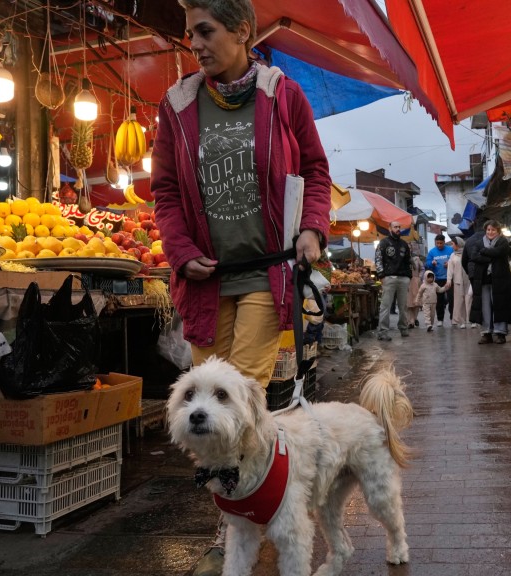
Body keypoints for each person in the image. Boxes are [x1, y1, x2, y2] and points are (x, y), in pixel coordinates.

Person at [150, 1, 330, 573]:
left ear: (242, 30)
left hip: (266, 272)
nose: (195, 45)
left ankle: (238, 523)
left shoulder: (283, 94)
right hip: (205, 282)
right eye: (189, 35)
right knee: (208, 397)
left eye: (205, 32)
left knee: (242, 392)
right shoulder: (177, 103)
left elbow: (317, 171)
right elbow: (166, 193)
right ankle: (244, 517)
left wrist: (312, 229)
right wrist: (180, 253)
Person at [463, 220, 511, 344]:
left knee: (500, 304)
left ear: (498, 231)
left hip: (500, 278)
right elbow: (474, 256)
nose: (490, 232)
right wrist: (492, 256)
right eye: (488, 230)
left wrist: (484, 252)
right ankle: (486, 333)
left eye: (493, 230)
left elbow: (500, 252)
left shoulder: (503, 242)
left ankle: (500, 333)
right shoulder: (478, 242)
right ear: (485, 230)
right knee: (485, 306)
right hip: (483, 279)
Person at [375, 220, 412, 341]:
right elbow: (378, 259)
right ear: (389, 228)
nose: (398, 229)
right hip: (389, 277)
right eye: (395, 227)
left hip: (403, 278)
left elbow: (408, 261)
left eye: (399, 227)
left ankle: (403, 328)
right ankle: (383, 332)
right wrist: (381, 275)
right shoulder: (383, 243)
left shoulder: (404, 244)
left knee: (403, 306)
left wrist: (409, 276)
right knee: (385, 305)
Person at [425, 233, 455, 326]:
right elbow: (427, 264)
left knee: (452, 299)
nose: (439, 245)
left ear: (444, 242)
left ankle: (452, 318)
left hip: (449, 278)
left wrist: (449, 264)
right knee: (439, 300)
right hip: (437, 279)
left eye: (441, 243)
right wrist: (432, 263)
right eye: (437, 243)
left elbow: (455, 261)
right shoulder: (432, 252)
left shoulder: (450, 250)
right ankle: (440, 319)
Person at [446, 236, 471, 328]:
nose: (452, 246)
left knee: (469, 300)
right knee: (459, 302)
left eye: (452, 244)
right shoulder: (453, 255)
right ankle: (462, 321)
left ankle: (472, 320)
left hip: (468, 280)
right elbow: (450, 269)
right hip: (457, 281)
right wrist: (449, 280)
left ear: (458, 244)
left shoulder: (467, 253)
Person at [405, 253, 423, 328]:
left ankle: (415, 318)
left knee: (416, 302)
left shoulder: (416, 259)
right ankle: (410, 321)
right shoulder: (402, 258)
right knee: (408, 303)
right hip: (406, 281)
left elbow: (422, 268)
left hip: (415, 281)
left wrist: (419, 277)